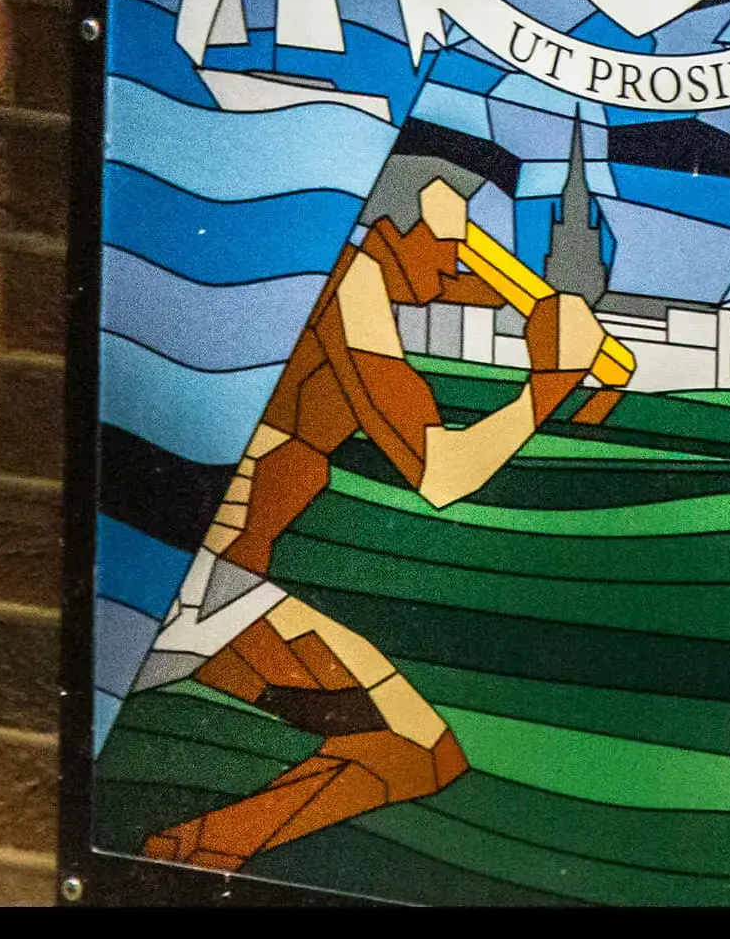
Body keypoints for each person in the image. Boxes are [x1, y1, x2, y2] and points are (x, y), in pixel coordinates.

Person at [140, 163, 610, 872]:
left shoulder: (340, 272)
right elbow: (442, 473)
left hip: (216, 583)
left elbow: (453, 278)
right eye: (451, 239)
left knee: (407, 747)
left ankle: (185, 860)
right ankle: (183, 860)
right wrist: (545, 388)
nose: (462, 260)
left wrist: (567, 352)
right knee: (410, 745)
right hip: (199, 580)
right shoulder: (351, 284)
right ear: (382, 227)